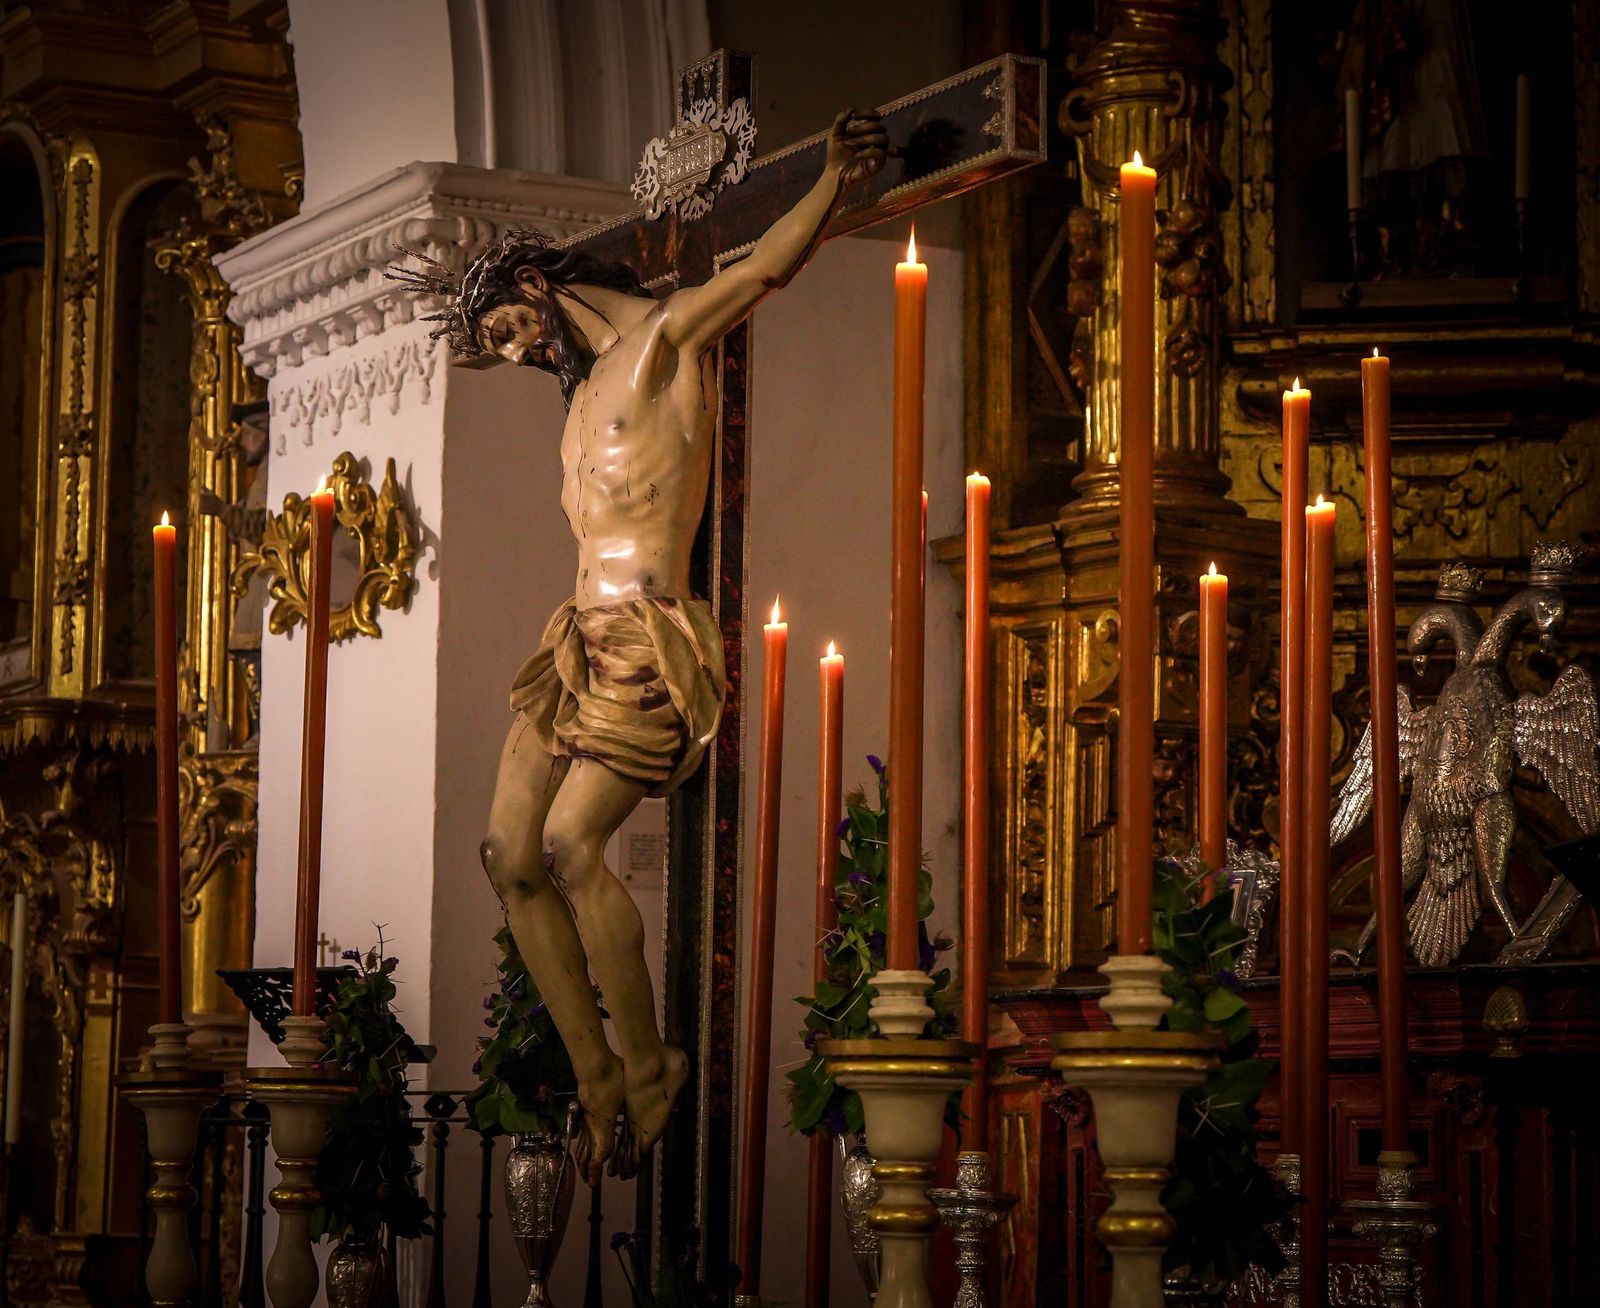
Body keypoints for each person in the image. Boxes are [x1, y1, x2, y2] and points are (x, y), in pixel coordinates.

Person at [390, 109, 886, 1182]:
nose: (516, 354)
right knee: (508, 854)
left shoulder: (661, 345)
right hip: (574, 637)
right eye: (497, 349)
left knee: (573, 847)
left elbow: (762, 270)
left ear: (536, 288)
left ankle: (651, 1061)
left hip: (648, 635)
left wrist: (833, 179)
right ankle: (600, 1073)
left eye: (509, 332)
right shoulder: (577, 399)